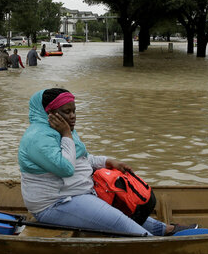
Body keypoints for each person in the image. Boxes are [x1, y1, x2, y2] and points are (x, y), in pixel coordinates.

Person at [18, 88, 189, 236]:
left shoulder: (61, 130)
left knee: (124, 211)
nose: (73, 116)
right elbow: (66, 168)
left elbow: (82, 158)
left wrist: (108, 161)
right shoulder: (38, 138)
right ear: (50, 114)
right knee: (122, 224)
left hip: (78, 194)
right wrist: (66, 135)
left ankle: (164, 230)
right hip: (54, 204)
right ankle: (151, 242)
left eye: (74, 111)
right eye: (66, 112)